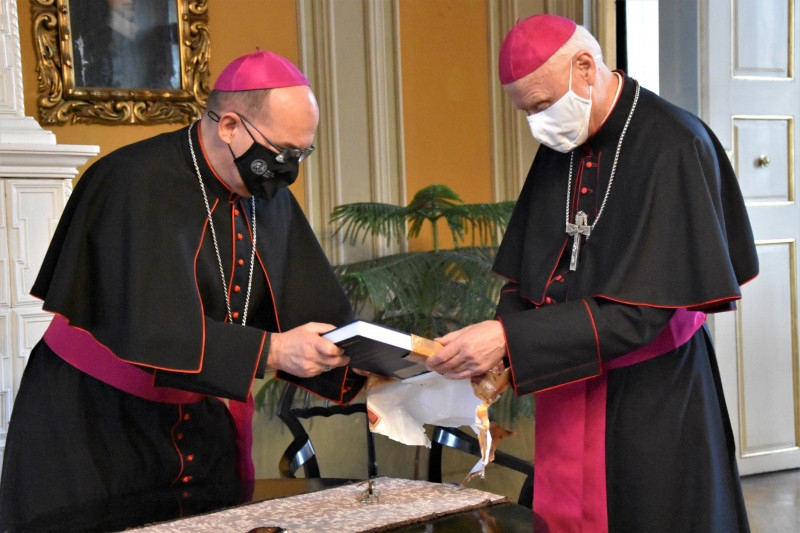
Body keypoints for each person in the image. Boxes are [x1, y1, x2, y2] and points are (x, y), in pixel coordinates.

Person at [0, 50, 364, 530]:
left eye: (300, 154)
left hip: (198, 421)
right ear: (229, 125)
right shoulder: (132, 180)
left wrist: (369, 364)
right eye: (281, 153)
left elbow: (306, 303)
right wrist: (271, 350)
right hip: (94, 423)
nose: (288, 171)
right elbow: (152, 326)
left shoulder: (265, 193)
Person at [426, 14, 758, 532]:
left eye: (542, 105)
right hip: (568, 378)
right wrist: (500, 343)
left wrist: (509, 338)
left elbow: (644, 313)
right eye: (527, 111)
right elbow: (530, 273)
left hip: (653, 395)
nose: (538, 123)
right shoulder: (564, 142)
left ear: (585, 66)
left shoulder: (675, 144)